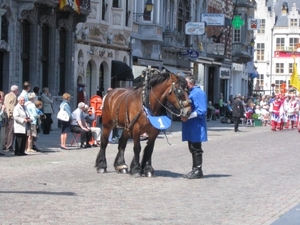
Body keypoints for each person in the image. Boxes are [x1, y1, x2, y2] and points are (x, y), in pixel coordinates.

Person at [181, 75, 207, 179]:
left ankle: (198, 170)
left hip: (196, 125)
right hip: (191, 125)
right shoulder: (191, 93)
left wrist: (188, 116)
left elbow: (202, 110)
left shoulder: (198, 93)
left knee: (196, 148)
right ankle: (194, 169)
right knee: (192, 147)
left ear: (189, 83)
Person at [4, 85, 19, 151]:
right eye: (18, 90)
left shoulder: (7, 95)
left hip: (7, 115)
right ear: (15, 90)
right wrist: (11, 115)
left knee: (7, 131)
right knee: (11, 131)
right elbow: (11, 107)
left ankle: (5, 144)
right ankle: (9, 145)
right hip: (10, 116)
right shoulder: (13, 96)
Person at [0, 91, 6, 156]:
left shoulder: (3, 104)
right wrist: (2, 110)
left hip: (3, 123)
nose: (2, 98)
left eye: (2, 96)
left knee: (2, 138)